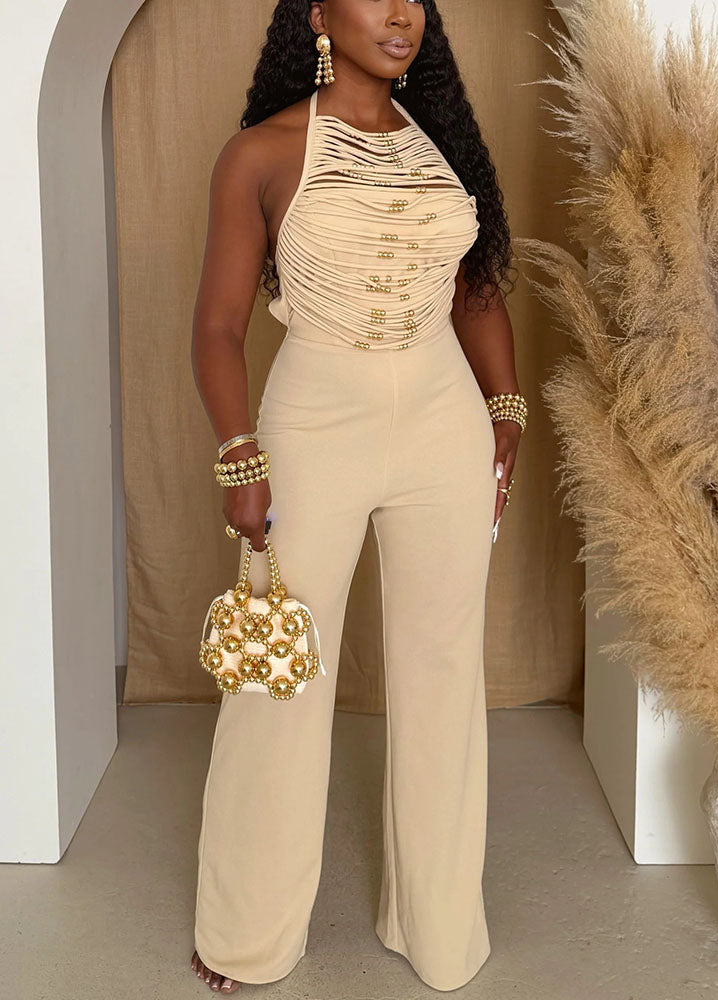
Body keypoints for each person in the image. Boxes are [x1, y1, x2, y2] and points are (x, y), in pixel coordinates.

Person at [189, 0, 524, 993]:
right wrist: (240, 457)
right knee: (277, 674)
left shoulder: (443, 140)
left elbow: (475, 286)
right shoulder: (260, 154)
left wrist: (504, 407)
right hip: (314, 425)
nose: (401, 12)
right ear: (317, 13)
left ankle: (439, 927)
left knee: (444, 672)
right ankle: (248, 931)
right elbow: (217, 327)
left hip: (444, 426)